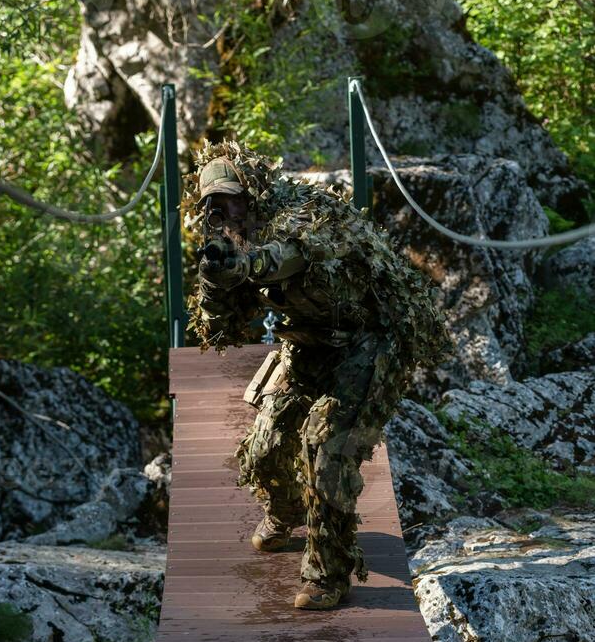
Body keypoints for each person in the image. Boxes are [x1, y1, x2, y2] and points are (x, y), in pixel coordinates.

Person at [182, 139, 451, 610]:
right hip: (305, 344)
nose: (226, 213)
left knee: (326, 449)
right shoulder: (228, 242)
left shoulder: (306, 212)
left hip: (367, 341)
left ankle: (327, 574)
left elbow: (296, 253)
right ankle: (285, 512)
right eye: (215, 207)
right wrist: (214, 281)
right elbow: (221, 330)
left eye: (233, 201)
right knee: (265, 446)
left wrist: (247, 264)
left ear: (254, 195)